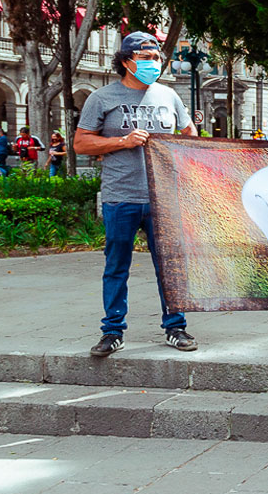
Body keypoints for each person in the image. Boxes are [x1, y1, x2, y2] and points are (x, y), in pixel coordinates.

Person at [74, 31, 198, 358]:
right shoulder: (102, 98)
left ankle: (176, 327)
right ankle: (112, 332)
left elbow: (189, 133)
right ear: (126, 62)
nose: (152, 64)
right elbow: (81, 143)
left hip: (163, 198)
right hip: (120, 197)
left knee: (169, 266)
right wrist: (122, 142)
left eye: (156, 58)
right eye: (145, 58)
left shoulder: (169, 96)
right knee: (116, 266)